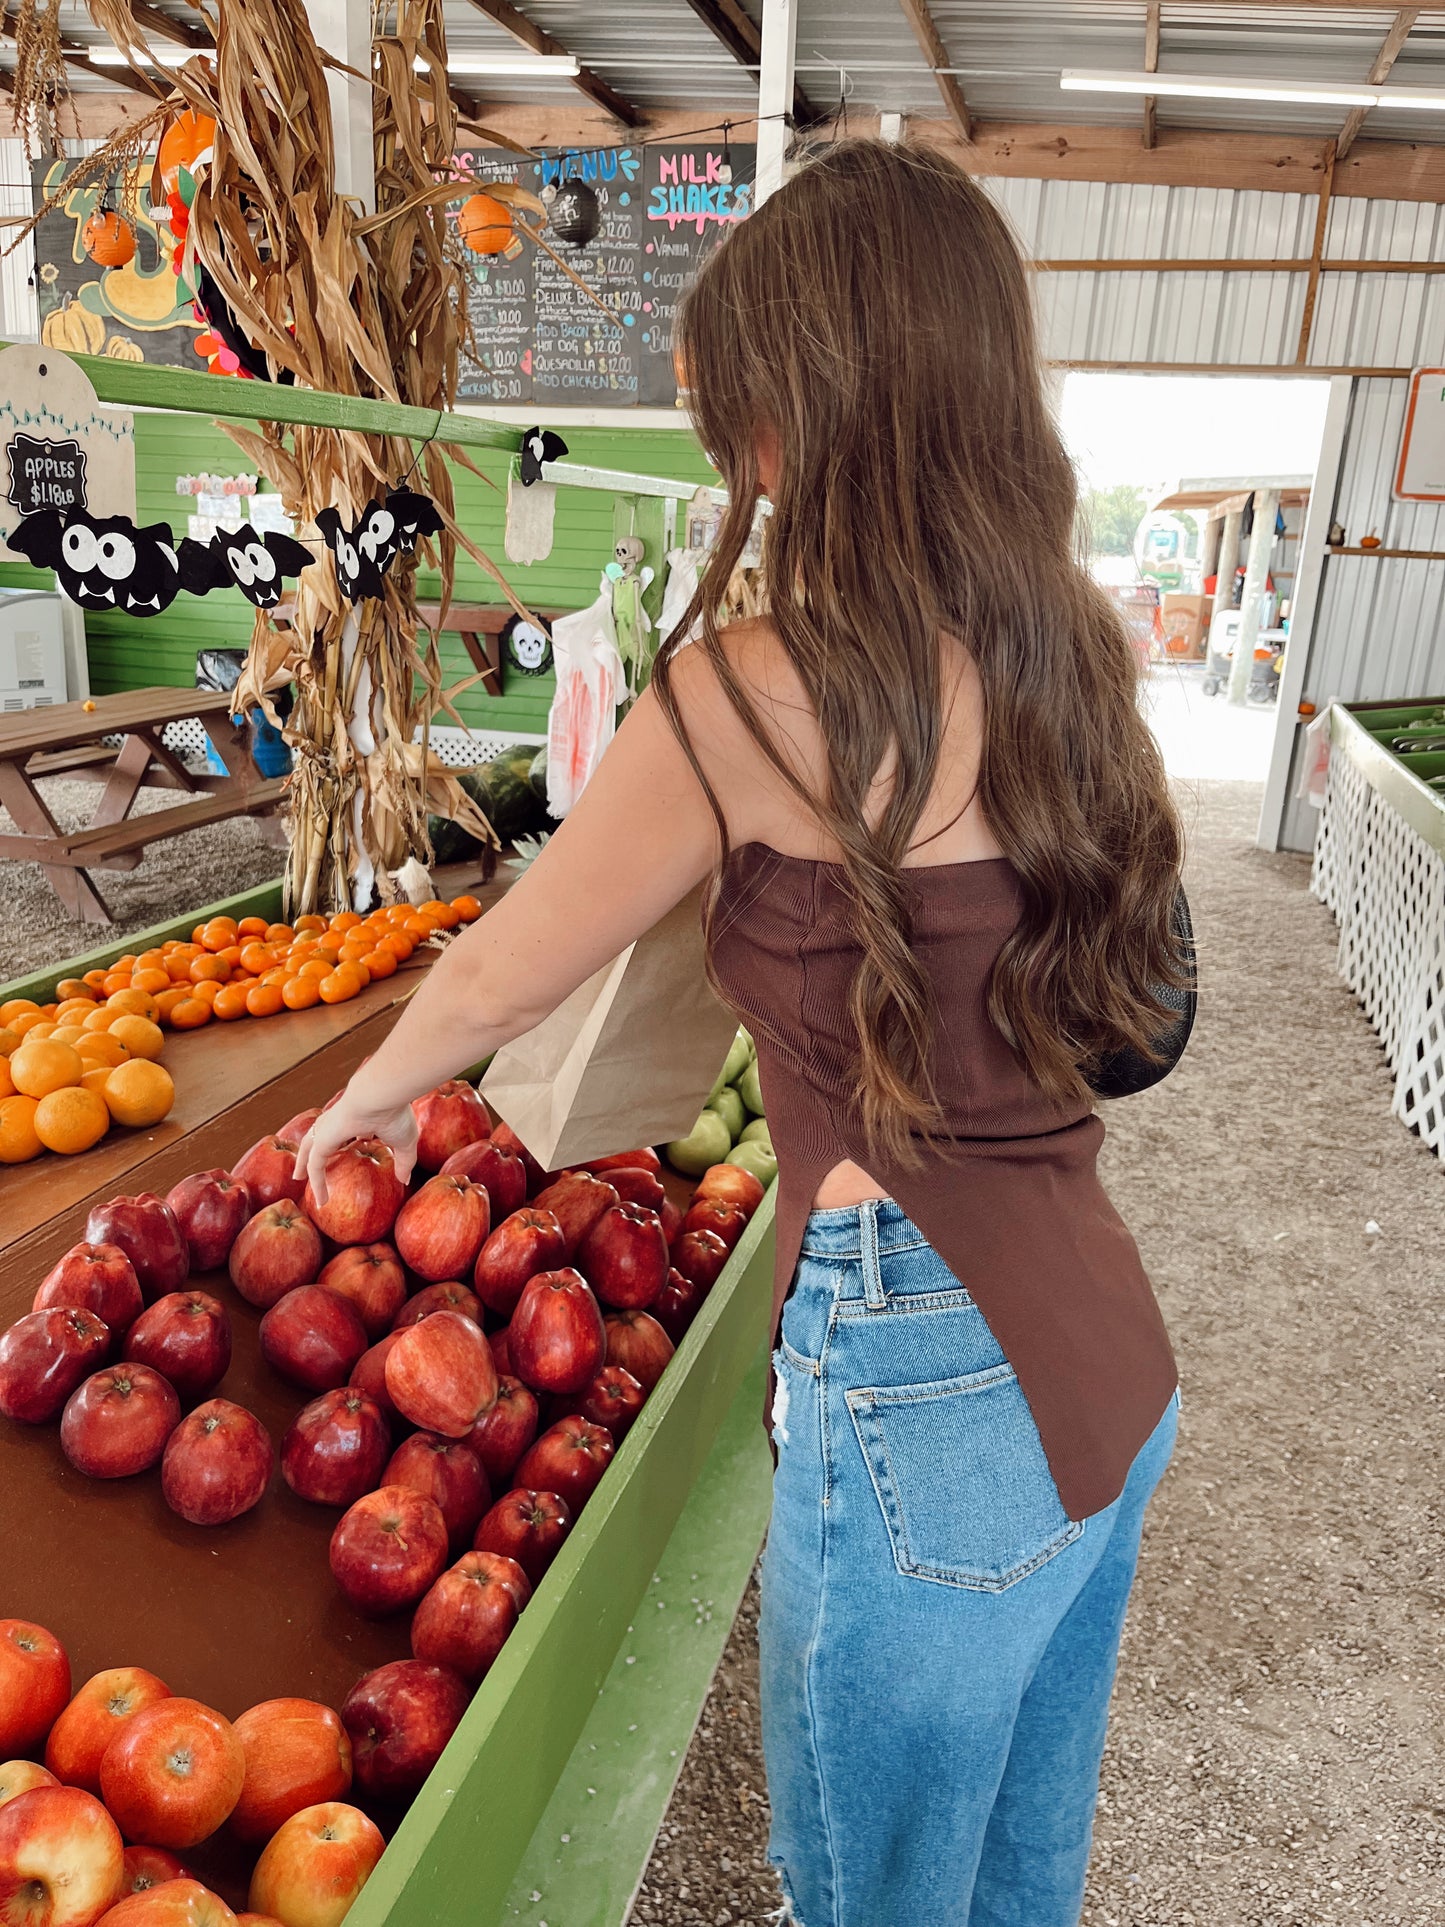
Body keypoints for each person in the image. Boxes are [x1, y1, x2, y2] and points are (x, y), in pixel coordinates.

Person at [298, 139, 1184, 1927]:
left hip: (921, 1369)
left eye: (750, 411)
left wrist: (349, 1117)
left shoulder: (759, 686)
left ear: (829, 402)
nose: (738, 460)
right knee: (1012, 1885)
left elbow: (495, 979)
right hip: (1102, 1349)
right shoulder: (1066, 654)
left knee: (863, 1895)